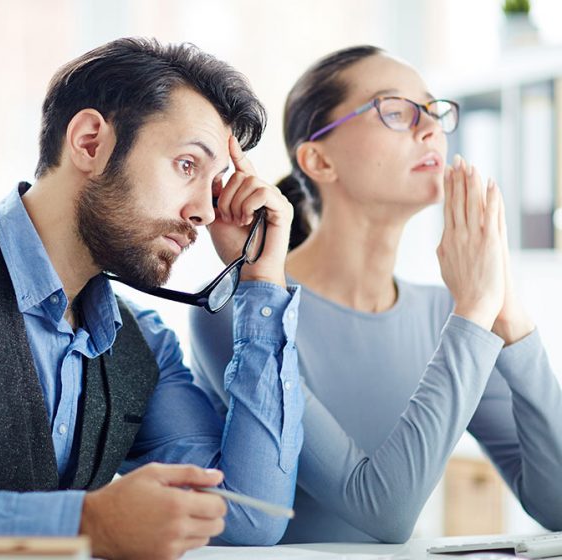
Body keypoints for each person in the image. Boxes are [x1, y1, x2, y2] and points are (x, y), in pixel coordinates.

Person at [0, 38, 303, 559]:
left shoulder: (144, 343)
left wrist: (261, 281)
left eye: (216, 184)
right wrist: (84, 524)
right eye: (186, 166)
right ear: (90, 142)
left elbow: (247, 515)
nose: (205, 211)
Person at [190, 45, 562, 544]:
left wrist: (508, 316)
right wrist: (476, 310)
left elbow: (557, 504)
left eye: (433, 111)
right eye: (396, 110)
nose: (430, 129)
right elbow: (384, 511)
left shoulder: (446, 314)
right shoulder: (244, 310)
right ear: (318, 159)